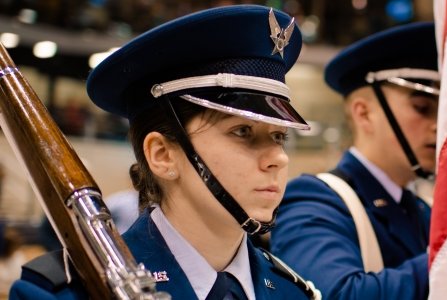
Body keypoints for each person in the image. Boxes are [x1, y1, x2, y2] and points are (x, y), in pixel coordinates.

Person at [10, 5, 320, 299]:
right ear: (162, 154)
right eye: (242, 132)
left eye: (279, 136)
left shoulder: (294, 291)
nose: (279, 158)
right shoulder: (64, 294)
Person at [270, 22, 438, 300]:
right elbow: (335, 294)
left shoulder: (418, 209)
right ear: (364, 114)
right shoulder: (314, 199)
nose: (438, 125)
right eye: (422, 108)